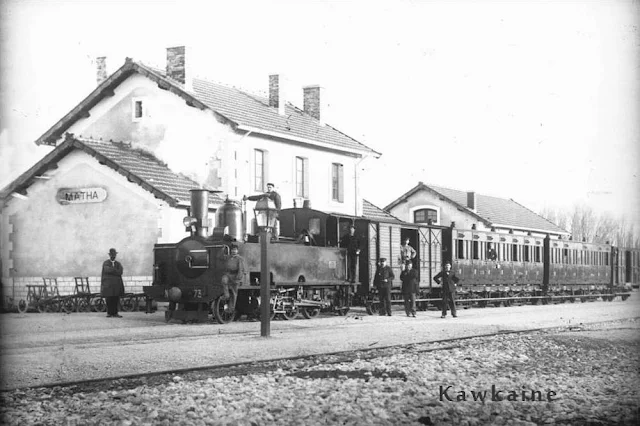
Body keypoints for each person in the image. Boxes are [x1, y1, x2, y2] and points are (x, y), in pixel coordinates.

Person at [101, 248, 125, 318]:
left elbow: (120, 271)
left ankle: (115, 313)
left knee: (116, 299)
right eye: (112, 255)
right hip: (108, 285)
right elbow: (107, 270)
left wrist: (113, 271)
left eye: (114, 255)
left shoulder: (118, 263)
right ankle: (109, 313)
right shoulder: (106, 263)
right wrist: (115, 271)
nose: (113, 256)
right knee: (109, 299)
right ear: (109, 255)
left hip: (116, 285)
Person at [223, 244, 246, 313]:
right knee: (224, 280)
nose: (233, 251)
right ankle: (226, 295)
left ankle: (231, 309)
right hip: (228, 274)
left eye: (235, 250)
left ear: (237, 251)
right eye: (232, 250)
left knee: (234, 292)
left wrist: (238, 278)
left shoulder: (240, 259)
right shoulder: (228, 258)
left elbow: (241, 269)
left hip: (235, 275)